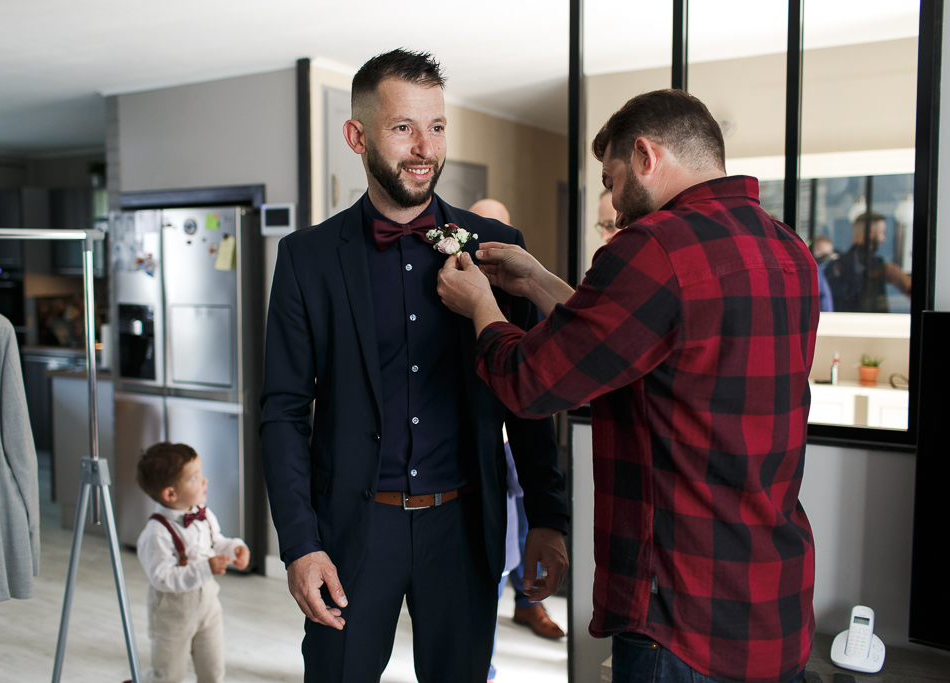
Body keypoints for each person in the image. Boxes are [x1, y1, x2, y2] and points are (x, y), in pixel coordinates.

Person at [437, 89, 818, 683]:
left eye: (612, 181)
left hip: (683, 613)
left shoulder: (655, 247)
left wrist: (482, 308)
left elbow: (532, 383)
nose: (612, 205)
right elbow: (642, 341)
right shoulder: (786, 248)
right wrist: (538, 282)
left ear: (645, 155)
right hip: (774, 604)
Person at [260, 49, 569, 683]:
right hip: (350, 531)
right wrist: (300, 543)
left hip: (464, 529)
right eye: (402, 127)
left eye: (435, 126)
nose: (423, 146)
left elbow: (528, 393)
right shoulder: (305, 259)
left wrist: (548, 518)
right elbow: (284, 412)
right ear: (357, 136)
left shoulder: (498, 252)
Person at [468, 197, 566, 644]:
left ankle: (528, 601)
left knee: (524, 522)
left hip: (516, 436)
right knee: (498, 540)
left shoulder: (509, 290)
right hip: (475, 444)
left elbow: (530, 377)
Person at [136, 442, 250, 683]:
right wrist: (204, 568)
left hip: (208, 605)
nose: (205, 480)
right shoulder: (156, 532)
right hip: (172, 611)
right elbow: (162, 577)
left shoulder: (203, 513)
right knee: (169, 674)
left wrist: (235, 547)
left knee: (213, 670)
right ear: (170, 494)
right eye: (195, 478)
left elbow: (215, 541)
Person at [824, 212, 911, 313]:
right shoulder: (879, 266)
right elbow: (908, 286)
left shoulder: (834, 266)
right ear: (870, 233)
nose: (884, 239)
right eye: (882, 232)